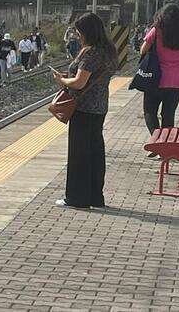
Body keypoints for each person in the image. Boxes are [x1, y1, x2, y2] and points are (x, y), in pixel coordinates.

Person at [52, 12, 117, 209]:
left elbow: (79, 83)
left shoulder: (91, 53)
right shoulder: (108, 51)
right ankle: (96, 197)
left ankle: (77, 198)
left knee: (79, 153)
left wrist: (62, 80)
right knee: (95, 151)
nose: (78, 35)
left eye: (79, 32)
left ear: (87, 32)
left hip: (83, 107)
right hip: (100, 106)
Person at [140, 4, 179, 140]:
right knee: (168, 114)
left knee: (150, 111)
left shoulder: (157, 30)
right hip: (178, 80)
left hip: (156, 79)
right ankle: (166, 147)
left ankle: (158, 142)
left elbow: (143, 50)